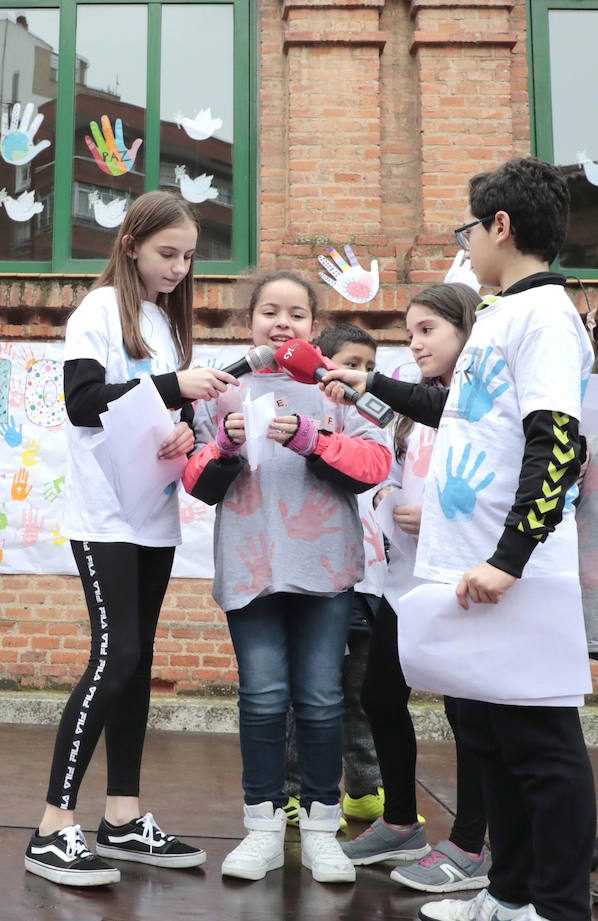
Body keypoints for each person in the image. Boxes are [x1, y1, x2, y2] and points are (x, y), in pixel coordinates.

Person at [322, 156, 594, 921]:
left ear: (500, 226)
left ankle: (558, 905)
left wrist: (508, 560)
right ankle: (506, 895)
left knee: (541, 749)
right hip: (465, 571)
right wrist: (369, 384)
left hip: (510, 575)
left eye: (469, 227)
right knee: (488, 739)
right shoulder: (503, 312)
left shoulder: (543, 318)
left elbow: (557, 444)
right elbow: (458, 414)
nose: (466, 242)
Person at [24, 191, 236, 887]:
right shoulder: (97, 312)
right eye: (166, 253)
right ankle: (54, 824)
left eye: (187, 257)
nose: (178, 268)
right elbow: (83, 403)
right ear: (131, 244)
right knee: (116, 657)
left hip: (153, 512)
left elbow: (148, 413)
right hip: (105, 517)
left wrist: (178, 424)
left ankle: (121, 816)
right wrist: (173, 384)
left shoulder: (164, 322)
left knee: (137, 663)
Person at [183, 271, 391, 884]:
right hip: (251, 568)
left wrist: (313, 438)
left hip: (325, 569)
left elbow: (377, 461)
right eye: (269, 311)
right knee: (263, 698)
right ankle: (263, 830)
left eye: (296, 314)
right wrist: (221, 444)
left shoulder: (337, 387)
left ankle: (323, 830)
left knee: (323, 699)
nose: (282, 323)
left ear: (313, 324)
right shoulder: (220, 390)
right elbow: (196, 481)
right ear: (249, 321)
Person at [335, 284, 491, 894]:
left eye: (428, 329)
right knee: (379, 693)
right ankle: (401, 821)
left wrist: (441, 517)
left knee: (467, 711)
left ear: (465, 330)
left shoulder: (478, 402)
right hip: (406, 579)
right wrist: (385, 496)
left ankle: (471, 845)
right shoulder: (415, 403)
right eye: (411, 331)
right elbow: (390, 465)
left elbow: (492, 485)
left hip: (459, 576)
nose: (415, 342)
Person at [282, 323, 387, 828]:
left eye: (368, 367)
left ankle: (365, 791)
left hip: (369, 582)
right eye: (350, 362)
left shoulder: (374, 419)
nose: (358, 375)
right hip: (322, 576)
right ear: (320, 362)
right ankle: (292, 794)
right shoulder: (304, 417)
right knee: (310, 693)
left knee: (360, 695)